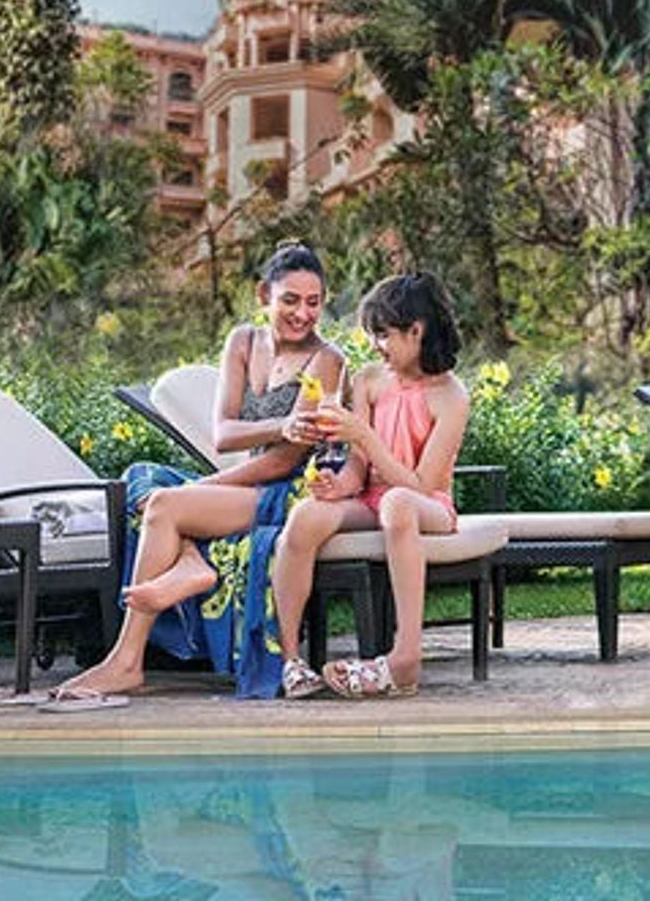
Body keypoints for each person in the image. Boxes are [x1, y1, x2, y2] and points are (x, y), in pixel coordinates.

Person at [59, 242, 344, 701]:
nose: (303, 314)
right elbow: (223, 434)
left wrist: (201, 487)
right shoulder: (242, 342)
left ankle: (126, 661)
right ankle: (188, 559)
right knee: (143, 475)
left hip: (287, 494)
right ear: (263, 295)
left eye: (314, 302)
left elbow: (283, 461)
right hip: (248, 483)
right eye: (290, 300)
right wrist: (280, 424)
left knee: (166, 505)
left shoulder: (327, 361)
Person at [273, 272, 468, 699]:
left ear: (416, 330)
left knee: (398, 501)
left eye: (384, 335)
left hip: (427, 505)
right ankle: (289, 661)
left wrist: (363, 435)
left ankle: (404, 658)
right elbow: (360, 469)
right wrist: (337, 484)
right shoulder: (368, 380)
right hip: (372, 497)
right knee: (306, 516)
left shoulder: (450, 396)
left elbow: (422, 484)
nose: (376, 345)